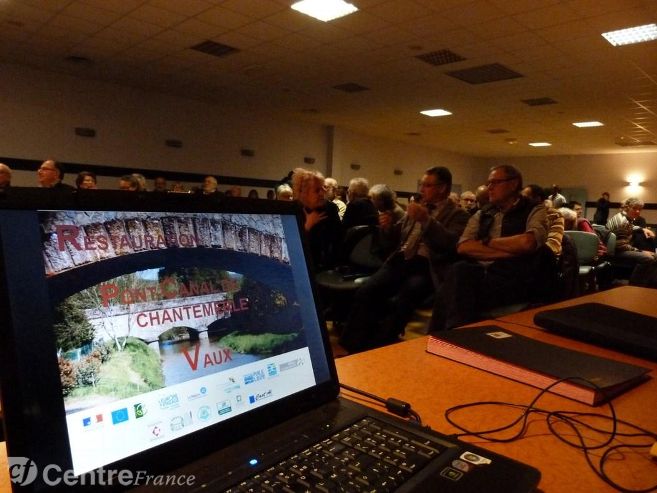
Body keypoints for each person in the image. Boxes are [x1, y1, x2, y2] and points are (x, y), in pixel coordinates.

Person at [339, 166, 469, 353]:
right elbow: (395, 239)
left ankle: (379, 348)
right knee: (367, 290)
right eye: (422, 185)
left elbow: (449, 244)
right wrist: (388, 227)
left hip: (427, 265)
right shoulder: (416, 209)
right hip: (401, 259)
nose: (422, 189)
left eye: (427, 185)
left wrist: (427, 221)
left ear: (442, 188)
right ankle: (352, 346)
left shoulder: (458, 215)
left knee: (404, 299)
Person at [436, 165, 549, 330]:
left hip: (516, 278)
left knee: (453, 286)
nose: (489, 187)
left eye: (495, 182)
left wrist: (487, 242)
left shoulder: (534, 209)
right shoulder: (484, 213)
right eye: (489, 183)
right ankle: (455, 335)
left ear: (513, 184)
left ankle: (447, 336)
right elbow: (463, 246)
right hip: (484, 275)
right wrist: (511, 251)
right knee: (459, 272)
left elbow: (527, 243)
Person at [291, 168, 343, 271]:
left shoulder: (330, 209)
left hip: (327, 269)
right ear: (304, 193)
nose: (323, 192)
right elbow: (291, 247)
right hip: (302, 267)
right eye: (317, 190)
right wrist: (307, 226)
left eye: (323, 187)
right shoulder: (294, 210)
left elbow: (339, 241)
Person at [606, 198, 657, 287]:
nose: (638, 211)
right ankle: (634, 286)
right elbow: (621, 246)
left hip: (619, 249)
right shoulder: (622, 221)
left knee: (653, 256)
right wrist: (641, 251)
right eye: (634, 208)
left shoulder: (624, 217)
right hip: (616, 252)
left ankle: (647, 284)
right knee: (648, 258)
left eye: (640, 209)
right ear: (627, 207)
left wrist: (642, 228)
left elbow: (631, 226)